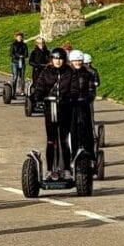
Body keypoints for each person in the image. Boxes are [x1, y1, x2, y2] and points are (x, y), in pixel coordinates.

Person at [31, 47, 78, 179]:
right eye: (56, 59)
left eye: (61, 59)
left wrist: (71, 97)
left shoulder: (69, 72)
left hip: (64, 109)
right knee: (51, 140)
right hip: (50, 109)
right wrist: (36, 96)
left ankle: (67, 169)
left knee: (63, 139)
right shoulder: (46, 72)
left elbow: (74, 88)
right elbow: (39, 86)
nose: (58, 61)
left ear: (64, 60)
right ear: (52, 60)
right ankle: (50, 169)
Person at [69, 50, 95, 159]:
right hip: (71, 106)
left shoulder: (88, 74)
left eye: (80, 61)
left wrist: (88, 98)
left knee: (86, 128)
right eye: (76, 61)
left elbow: (91, 90)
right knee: (72, 129)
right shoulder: (67, 74)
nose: (78, 63)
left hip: (83, 104)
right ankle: (72, 154)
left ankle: (89, 153)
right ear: (71, 61)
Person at [9, 31, 28, 97]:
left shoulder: (24, 45)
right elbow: (11, 53)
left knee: (22, 77)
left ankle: (22, 91)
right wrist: (17, 56)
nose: (20, 38)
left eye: (21, 37)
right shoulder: (13, 44)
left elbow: (26, 54)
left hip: (22, 62)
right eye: (18, 37)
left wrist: (23, 56)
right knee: (15, 77)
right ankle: (13, 92)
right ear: (16, 37)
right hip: (15, 62)